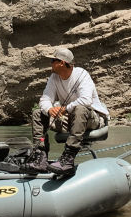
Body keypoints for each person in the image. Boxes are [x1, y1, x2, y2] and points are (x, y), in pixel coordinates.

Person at [26, 48, 109, 176]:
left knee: (80, 108)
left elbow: (86, 100)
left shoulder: (82, 74)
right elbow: (45, 99)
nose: (51, 63)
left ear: (62, 63)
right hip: (69, 120)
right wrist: (49, 109)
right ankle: (40, 157)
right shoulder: (54, 78)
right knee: (38, 113)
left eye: (53, 60)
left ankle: (68, 157)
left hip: (91, 119)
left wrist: (64, 109)